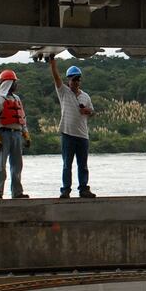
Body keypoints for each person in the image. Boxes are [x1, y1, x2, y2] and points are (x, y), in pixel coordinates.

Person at [49, 57, 96, 198]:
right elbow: (56, 77)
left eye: (78, 79)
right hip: (68, 134)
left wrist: (87, 111)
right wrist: (52, 62)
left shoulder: (85, 96)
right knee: (66, 165)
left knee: (83, 165)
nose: (75, 82)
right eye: (73, 79)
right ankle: (66, 190)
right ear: (68, 80)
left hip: (82, 135)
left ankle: (83, 189)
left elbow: (92, 112)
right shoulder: (63, 92)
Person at [0, 69, 30, 199]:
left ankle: (17, 192)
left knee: (17, 165)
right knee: (0, 165)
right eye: (14, 82)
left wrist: (26, 134)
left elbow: (22, 118)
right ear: (8, 83)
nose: (16, 85)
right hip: (3, 134)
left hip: (17, 134)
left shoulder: (17, 99)